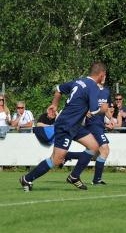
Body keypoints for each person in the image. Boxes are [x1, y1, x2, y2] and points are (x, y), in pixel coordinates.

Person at [19, 62, 108, 191]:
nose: (105, 77)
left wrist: (54, 104)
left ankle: (74, 176)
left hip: (74, 124)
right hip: (66, 125)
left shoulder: (79, 81)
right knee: (56, 159)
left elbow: (59, 89)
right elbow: (94, 111)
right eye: (104, 75)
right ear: (101, 74)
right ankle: (27, 179)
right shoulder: (93, 87)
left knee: (94, 146)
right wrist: (103, 109)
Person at [65, 81, 112, 185]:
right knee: (105, 150)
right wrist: (85, 112)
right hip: (92, 124)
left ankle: (69, 155)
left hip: (100, 124)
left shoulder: (106, 91)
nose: (103, 78)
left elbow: (106, 108)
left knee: (96, 153)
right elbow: (78, 103)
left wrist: (111, 119)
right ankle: (97, 180)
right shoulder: (89, 89)